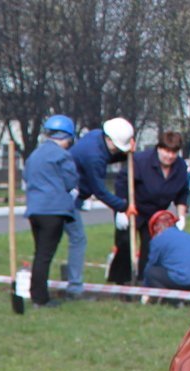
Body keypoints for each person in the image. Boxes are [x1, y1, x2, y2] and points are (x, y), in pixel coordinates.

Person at [109, 130, 189, 283]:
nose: (170, 156)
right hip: (132, 209)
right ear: (159, 148)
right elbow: (121, 183)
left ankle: (143, 280)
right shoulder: (140, 160)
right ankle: (121, 282)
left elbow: (182, 193)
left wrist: (181, 216)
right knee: (125, 243)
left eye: (174, 152)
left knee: (150, 248)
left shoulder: (180, 167)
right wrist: (121, 209)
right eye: (166, 151)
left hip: (156, 214)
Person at [67, 117, 135, 297]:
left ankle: (68, 284)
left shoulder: (97, 136)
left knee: (65, 240)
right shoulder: (94, 157)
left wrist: (125, 152)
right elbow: (100, 191)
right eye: (118, 148)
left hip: (71, 190)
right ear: (110, 140)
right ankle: (74, 288)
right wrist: (123, 207)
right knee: (78, 239)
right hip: (67, 194)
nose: (118, 151)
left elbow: (109, 156)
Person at [24, 115, 80, 308]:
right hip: (54, 210)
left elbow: (27, 176)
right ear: (67, 137)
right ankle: (39, 298)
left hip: (34, 210)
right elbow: (71, 182)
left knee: (40, 253)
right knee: (45, 255)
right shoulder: (62, 155)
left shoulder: (35, 155)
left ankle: (37, 295)